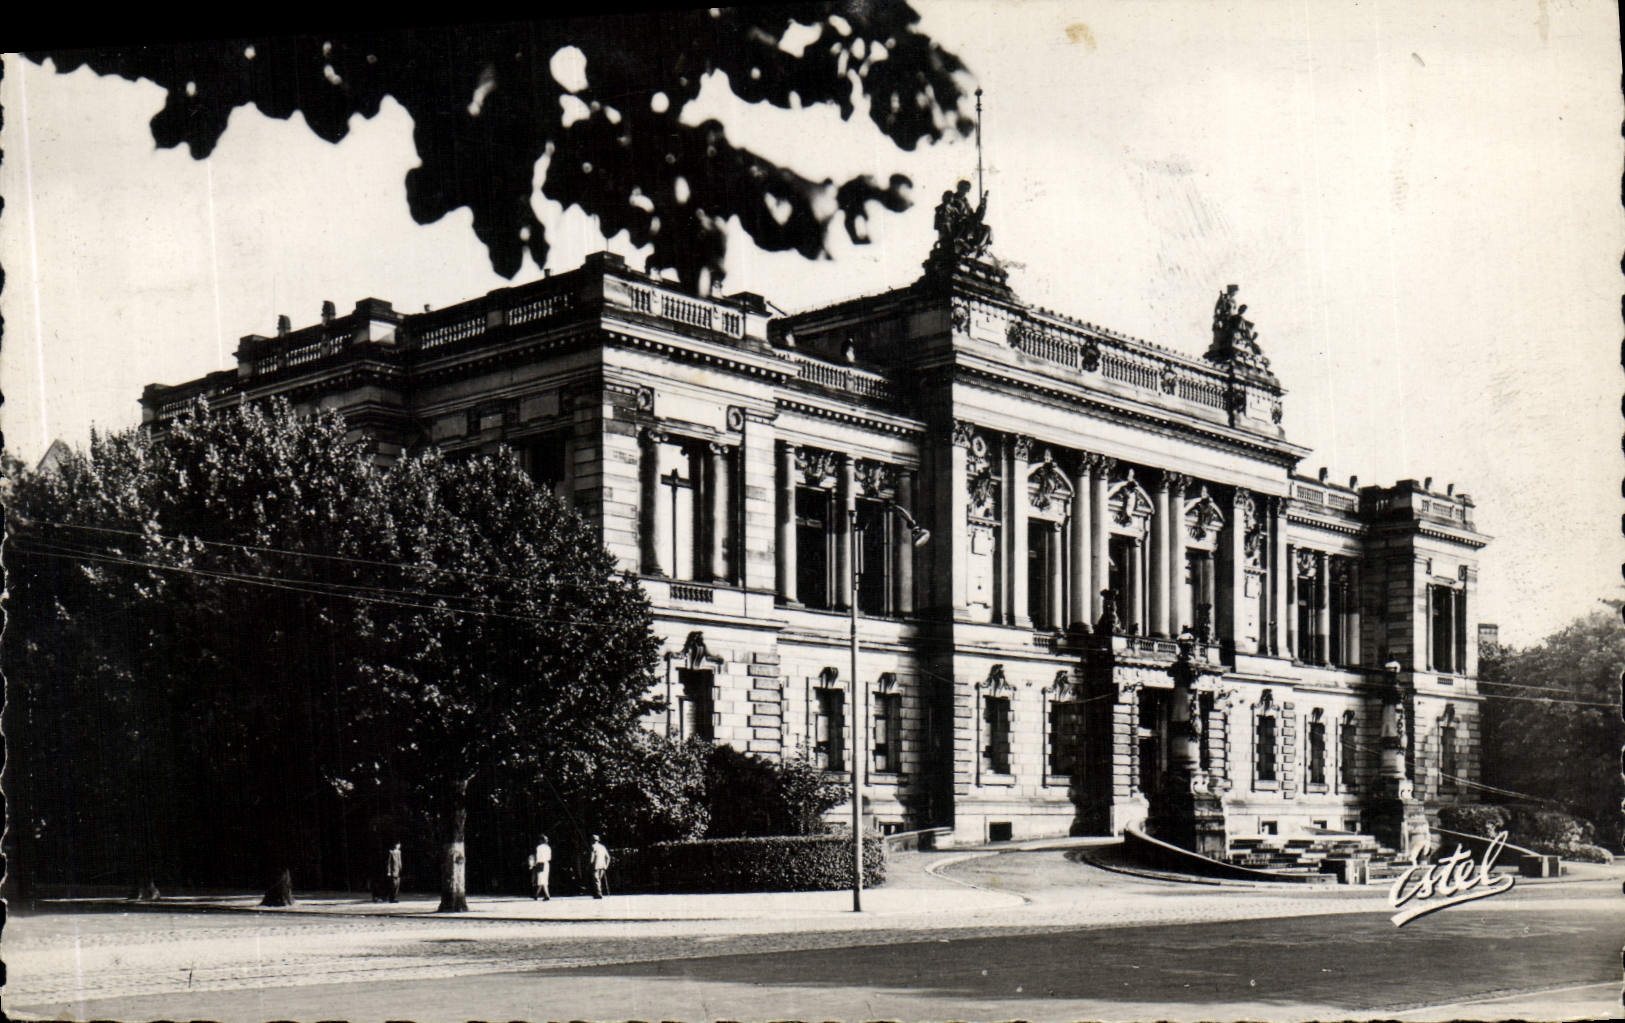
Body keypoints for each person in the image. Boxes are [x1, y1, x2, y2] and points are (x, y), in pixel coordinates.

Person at [530, 835, 552, 901]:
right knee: (544, 879)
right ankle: (537, 895)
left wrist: (534, 864)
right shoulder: (548, 847)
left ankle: (546, 895)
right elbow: (549, 857)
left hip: (540, 863)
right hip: (546, 864)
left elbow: (538, 857)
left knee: (541, 880)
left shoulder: (539, 847)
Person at [589, 834, 611, 899]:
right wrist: (606, 865)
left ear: (592, 840)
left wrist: (589, 865)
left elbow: (591, 858)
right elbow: (608, 857)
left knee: (596, 880)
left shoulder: (593, 847)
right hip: (603, 866)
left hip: (595, 866)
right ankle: (597, 893)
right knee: (598, 880)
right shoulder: (603, 847)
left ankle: (598, 894)